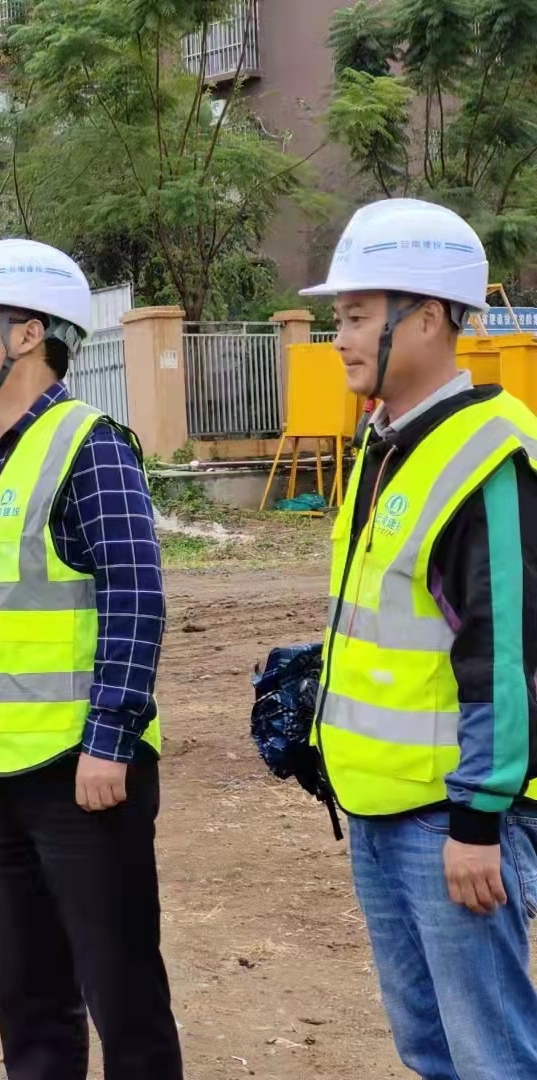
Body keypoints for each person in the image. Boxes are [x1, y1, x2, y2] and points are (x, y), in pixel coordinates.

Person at [0, 239, 182, 1080]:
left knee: (123, 996)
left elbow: (135, 595)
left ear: (29, 333)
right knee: (30, 1004)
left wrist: (111, 739)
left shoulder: (90, 445)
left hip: (84, 773)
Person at [303, 198, 537, 1078]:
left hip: (453, 821)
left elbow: (506, 659)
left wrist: (478, 821)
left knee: (491, 1057)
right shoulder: (386, 444)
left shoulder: (488, 457)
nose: (340, 339)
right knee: (429, 1048)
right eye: (339, 319)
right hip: (379, 810)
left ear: (429, 317)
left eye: (358, 316)